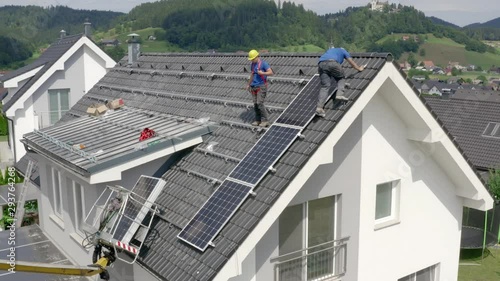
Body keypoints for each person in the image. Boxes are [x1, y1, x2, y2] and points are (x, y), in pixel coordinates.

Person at [316, 47, 365, 117]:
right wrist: (359, 68)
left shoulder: (331, 50)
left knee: (325, 86)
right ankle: (339, 94)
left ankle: (319, 108)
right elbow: (351, 62)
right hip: (333, 63)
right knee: (341, 77)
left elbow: (327, 62)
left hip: (321, 64)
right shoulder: (343, 51)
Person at [246, 49, 274, 127]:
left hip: (261, 86)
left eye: (252, 59)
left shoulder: (264, 64)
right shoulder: (252, 64)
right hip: (253, 86)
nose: (251, 60)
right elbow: (252, 75)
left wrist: (263, 73)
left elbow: (271, 72)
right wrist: (248, 84)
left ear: (257, 57)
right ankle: (258, 120)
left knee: (260, 103)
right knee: (255, 104)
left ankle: (265, 120)